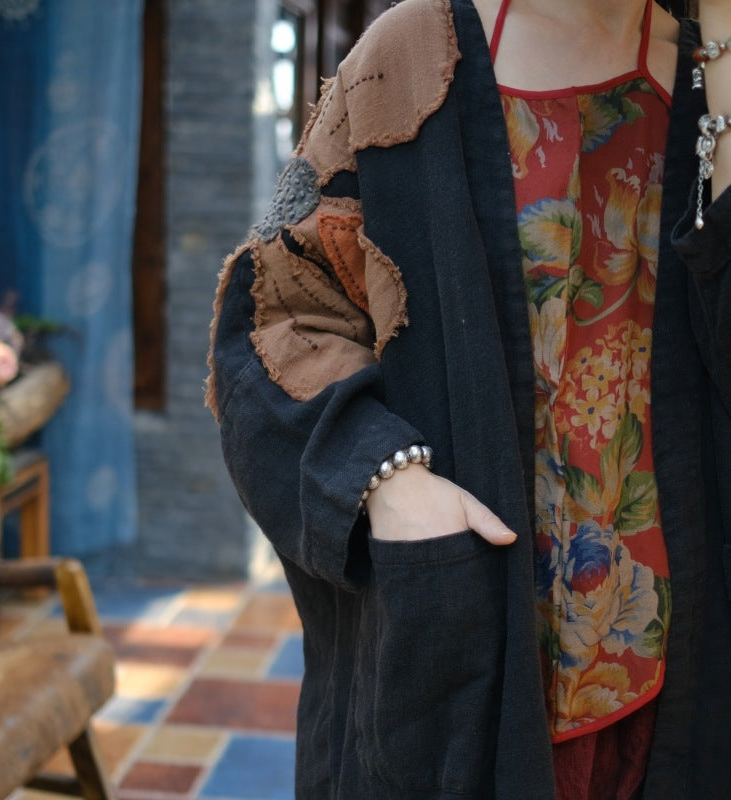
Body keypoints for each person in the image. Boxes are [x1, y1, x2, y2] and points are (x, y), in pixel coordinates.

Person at [207, 0, 731, 796]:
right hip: (466, 668)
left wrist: (723, 41)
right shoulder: (415, 58)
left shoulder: (704, 72)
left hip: (675, 683)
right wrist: (385, 478)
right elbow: (273, 317)